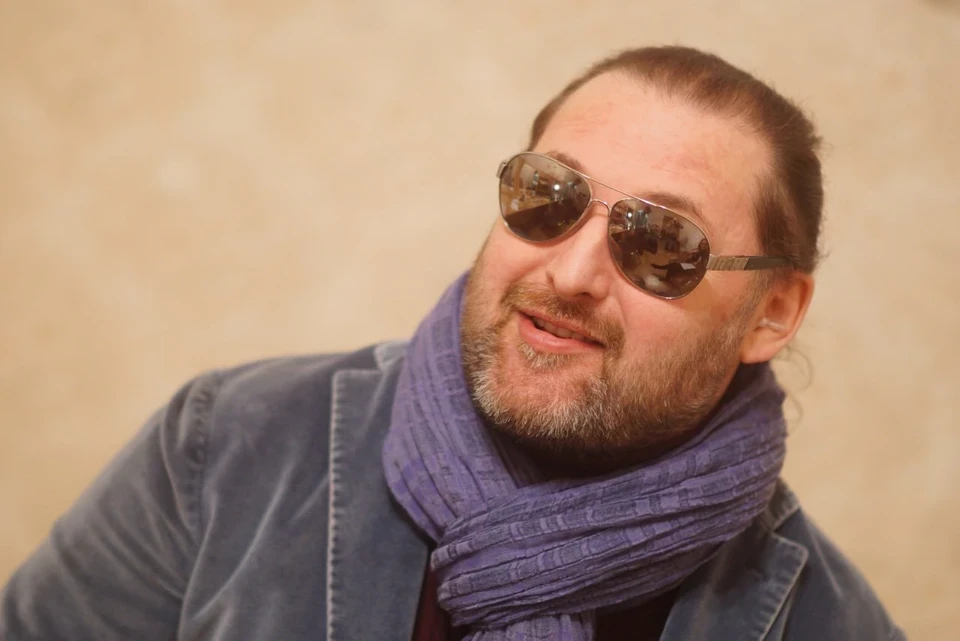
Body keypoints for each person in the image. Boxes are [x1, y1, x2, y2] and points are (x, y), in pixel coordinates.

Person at [1, 46, 905, 641]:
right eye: (548, 197)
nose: (571, 271)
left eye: (661, 242)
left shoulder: (827, 621)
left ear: (772, 313)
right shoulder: (223, 448)